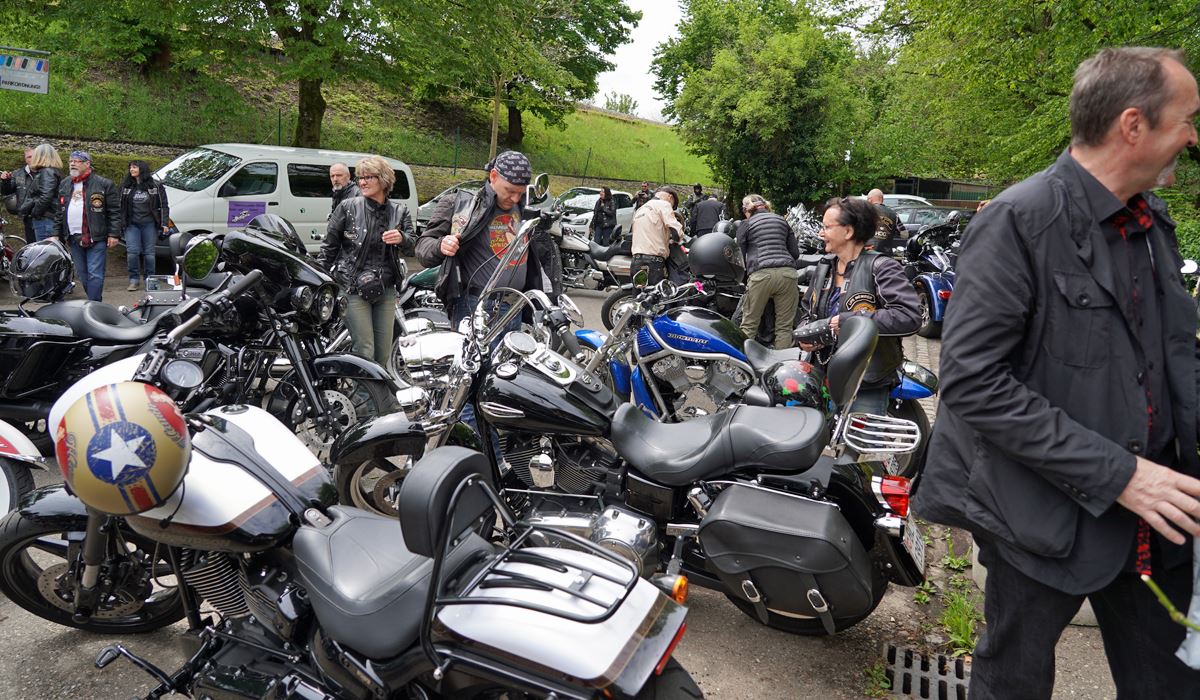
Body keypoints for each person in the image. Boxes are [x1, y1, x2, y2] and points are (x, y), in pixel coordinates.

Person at [913, 47, 1200, 699]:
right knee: (1012, 682)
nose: (1192, 137)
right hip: (1037, 517)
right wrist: (1120, 475)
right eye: (1187, 119)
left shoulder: (1152, 222)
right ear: (1133, 125)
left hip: (1155, 514)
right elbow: (972, 382)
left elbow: (1169, 360)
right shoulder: (1019, 222)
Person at [797, 196, 920, 414]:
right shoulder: (825, 266)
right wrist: (806, 336)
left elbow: (909, 317)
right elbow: (808, 310)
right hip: (823, 376)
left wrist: (848, 322)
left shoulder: (882, 267)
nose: (821, 233)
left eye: (827, 227)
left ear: (848, 231)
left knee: (855, 436)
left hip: (865, 382)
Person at [415, 149, 556, 327]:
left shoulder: (524, 208)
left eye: (520, 193)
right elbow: (423, 246)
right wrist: (441, 245)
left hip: (516, 306)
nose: (515, 198)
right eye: (510, 191)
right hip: (476, 306)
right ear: (493, 176)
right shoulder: (461, 204)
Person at [320, 156, 412, 367]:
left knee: (383, 354)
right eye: (360, 178)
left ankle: (374, 389)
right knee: (365, 351)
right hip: (352, 287)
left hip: (385, 289)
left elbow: (415, 247)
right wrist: (319, 281)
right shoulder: (347, 207)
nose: (362, 182)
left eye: (368, 177)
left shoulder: (399, 211)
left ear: (383, 179)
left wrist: (402, 238)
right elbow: (328, 248)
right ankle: (362, 389)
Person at [53, 151, 119, 302]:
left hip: (95, 236)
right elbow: (59, 211)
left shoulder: (104, 184)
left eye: (77, 161)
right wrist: (56, 233)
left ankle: (94, 304)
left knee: (95, 273)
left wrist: (114, 234)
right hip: (73, 237)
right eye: (70, 161)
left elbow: (114, 211)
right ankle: (94, 301)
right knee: (82, 274)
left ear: (87, 164)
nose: (72, 164)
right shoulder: (65, 183)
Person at [735, 195, 799, 349]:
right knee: (784, 328)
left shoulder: (746, 224)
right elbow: (795, 253)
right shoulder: (782, 220)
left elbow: (739, 256)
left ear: (746, 210)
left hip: (760, 276)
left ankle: (743, 362)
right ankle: (782, 363)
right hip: (788, 275)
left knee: (749, 325)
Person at [119, 160, 169, 291]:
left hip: (149, 224)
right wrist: (119, 223)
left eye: (135, 167)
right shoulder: (126, 186)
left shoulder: (155, 185)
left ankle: (150, 280)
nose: (131, 169)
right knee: (132, 252)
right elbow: (120, 205)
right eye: (130, 167)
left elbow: (163, 205)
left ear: (142, 169)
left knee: (149, 254)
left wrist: (164, 223)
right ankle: (134, 280)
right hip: (131, 224)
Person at [629, 187, 683, 287]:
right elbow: (676, 231)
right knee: (655, 294)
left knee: (639, 294)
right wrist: (676, 239)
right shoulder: (664, 204)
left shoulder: (641, 209)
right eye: (673, 205)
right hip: (653, 262)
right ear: (670, 197)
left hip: (636, 261)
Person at [18, 144, 62, 242]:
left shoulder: (47, 172)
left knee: (44, 250)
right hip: (47, 219)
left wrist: (35, 212)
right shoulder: (50, 171)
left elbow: (46, 196)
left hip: (45, 219)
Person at [1, 148, 34, 242]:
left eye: (34, 156)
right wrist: (5, 181)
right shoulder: (17, 174)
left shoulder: (45, 172)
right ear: (25, 159)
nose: (32, 159)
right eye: (29, 157)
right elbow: (6, 192)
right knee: (31, 244)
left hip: (44, 215)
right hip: (27, 216)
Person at [865, 188, 905, 256]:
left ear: (870, 200)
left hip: (867, 254)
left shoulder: (863, 212)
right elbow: (904, 235)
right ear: (882, 200)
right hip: (885, 255)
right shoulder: (894, 214)